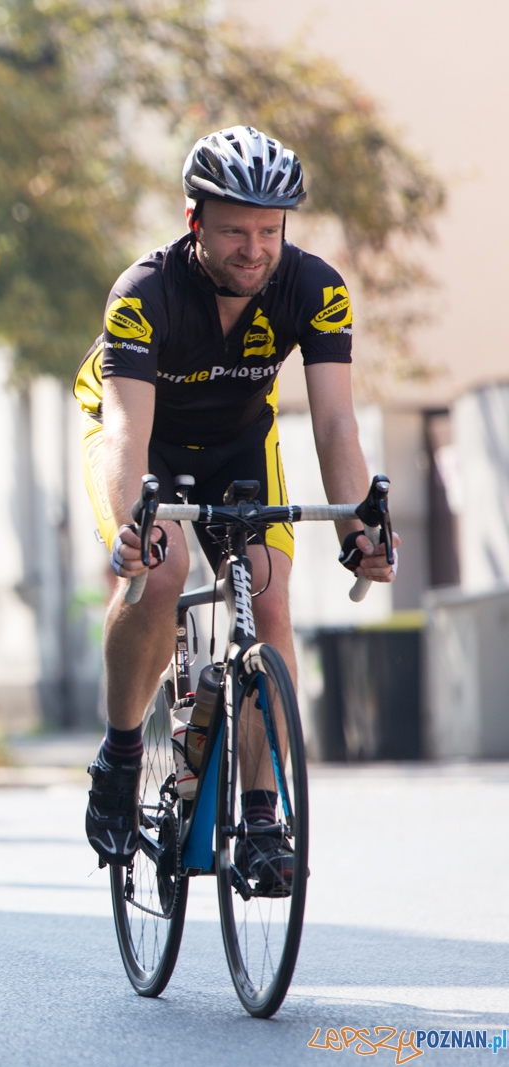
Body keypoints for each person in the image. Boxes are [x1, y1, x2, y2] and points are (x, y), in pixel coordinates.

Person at [75, 127, 397, 888]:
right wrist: (134, 527)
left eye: (269, 230)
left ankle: (258, 812)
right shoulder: (143, 292)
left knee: (270, 594)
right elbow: (125, 429)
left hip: (237, 445)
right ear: (195, 222)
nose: (254, 248)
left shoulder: (316, 288)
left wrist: (359, 526)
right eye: (234, 230)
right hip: (140, 439)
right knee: (161, 572)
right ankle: (121, 752)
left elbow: (335, 423)